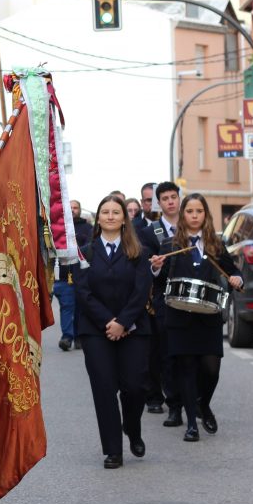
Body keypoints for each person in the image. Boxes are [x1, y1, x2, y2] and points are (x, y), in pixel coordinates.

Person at [151, 193, 243, 443]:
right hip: (179, 317)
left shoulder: (215, 244)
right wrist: (156, 268)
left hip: (208, 317)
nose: (194, 216)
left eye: (199, 211)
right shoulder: (170, 245)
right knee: (186, 369)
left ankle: (204, 404)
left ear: (205, 215)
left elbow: (232, 271)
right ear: (183, 215)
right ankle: (192, 423)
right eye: (189, 211)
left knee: (211, 369)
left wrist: (237, 279)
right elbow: (160, 280)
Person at [75, 195, 152, 469]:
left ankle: (132, 427)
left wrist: (123, 322)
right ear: (98, 219)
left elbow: (142, 290)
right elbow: (83, 291)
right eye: (105, 212)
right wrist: (109, 321)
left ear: (124, 219)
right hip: (96, 331)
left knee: (135, 387)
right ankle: (113, 451)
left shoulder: (138, 252)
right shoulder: (85, 252)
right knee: (104, 389)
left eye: (115, 212)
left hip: (134, 328)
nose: (110, 216)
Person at [139, 181, 184, 422]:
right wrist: (155, 268)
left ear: (179, 198)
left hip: (191, 299)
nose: (170, 202)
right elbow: (144, 267)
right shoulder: (150, 232)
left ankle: (195, 399)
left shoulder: (192, 227)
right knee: (166, 354)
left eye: (173, 197)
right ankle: (173, 403)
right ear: (159, 203)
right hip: (164, 299)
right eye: (165, 198)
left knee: (193, 354)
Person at [53, 200, 94, 351]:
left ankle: (79, 337)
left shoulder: (87, 228)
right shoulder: (57, 228)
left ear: (80, 210)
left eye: (75, 207)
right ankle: (67, 337)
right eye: (70, 207)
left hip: (82, 275)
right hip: (64, 277)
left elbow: (89, 248)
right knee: (67, 306)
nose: (72, 210)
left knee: (80, 308)